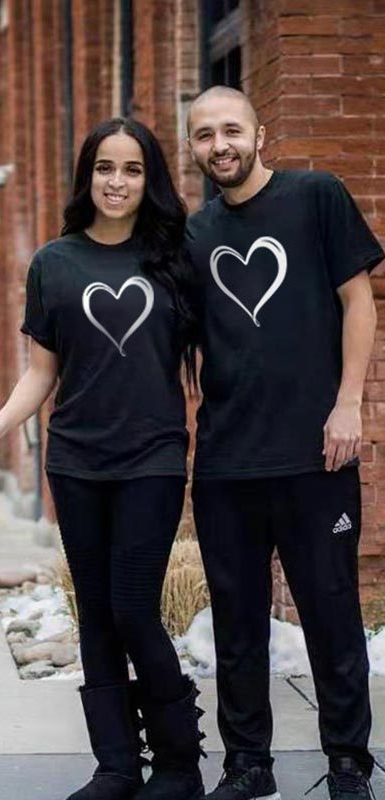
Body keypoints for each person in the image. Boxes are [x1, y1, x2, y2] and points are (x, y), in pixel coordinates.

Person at [0, 117, 204, 800]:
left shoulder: (177, 258)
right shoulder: (55, 263)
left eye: (131, 169)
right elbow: (43, 370)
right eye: (105, 168)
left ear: (147, 178)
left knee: (132, 607)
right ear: (87, 177)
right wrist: (0, 421)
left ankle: (180, 763)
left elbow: (219, 357)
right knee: (94, 614)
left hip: (152, 458)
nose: (117, 182)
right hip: (75, 459)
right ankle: (117, 767)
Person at [185, 86, 384, 800]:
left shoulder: (316, 197)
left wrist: (347, 404)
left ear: (259, 133)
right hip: (226, 462)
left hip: (315, 454)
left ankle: (350, 763)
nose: (220, 146)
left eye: (231, 130)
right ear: (195, 147)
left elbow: (358, 299)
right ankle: (249, 765)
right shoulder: (194, 235)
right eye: (204, 136)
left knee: (331, 613)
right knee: (237, 626)